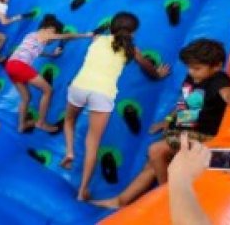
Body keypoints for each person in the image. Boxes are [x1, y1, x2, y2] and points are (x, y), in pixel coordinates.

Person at [92, 38, 230, 208]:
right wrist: (168, 120)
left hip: (202, 137)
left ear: (217, 66)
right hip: (183, 131)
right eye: (189, 67)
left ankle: (168, 197)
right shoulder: (193, 78)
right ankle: (121, 201)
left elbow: (228, 94)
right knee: (152, 165)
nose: (191, 72)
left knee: (156, 150)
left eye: (197, 68)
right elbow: (186, 102)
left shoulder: (217, 80)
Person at [62, 12, 170, 201]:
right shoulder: (131, 49)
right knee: (93, 143)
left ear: (112, 28)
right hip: (102, 93)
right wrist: (158, 75)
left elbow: (98, 35)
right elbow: (147, 67)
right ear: (133, 32)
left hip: (79, 86)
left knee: (69, 120)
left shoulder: (97, 39)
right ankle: (83, 190)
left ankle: (70, 151)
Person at [4, 14, 93, 133]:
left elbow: (35, 51)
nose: (51, 41)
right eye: (52, 38)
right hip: (20, 66)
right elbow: (66, 36)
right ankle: (41, 123)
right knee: (48, 90)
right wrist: (86, 35)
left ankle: (21, 126)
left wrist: (52, 54)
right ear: (51, 29)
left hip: (10, 65)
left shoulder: (32, 35)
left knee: (26, 97)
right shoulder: (47, 33)